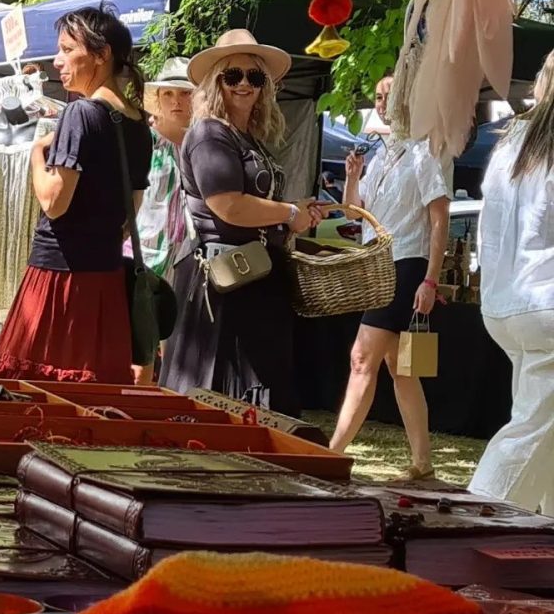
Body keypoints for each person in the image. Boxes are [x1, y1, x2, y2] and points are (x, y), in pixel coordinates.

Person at [0, 4, 153, 384]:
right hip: (104, 280)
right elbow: (130, 215)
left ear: (101, 54)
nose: (57, 61)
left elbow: (55, 204)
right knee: (89, 393)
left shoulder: (80, 114)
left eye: (66, 50)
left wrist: (35, 154)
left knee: (27, 388)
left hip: (59, 275)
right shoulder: (139, 124)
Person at [159, 29, 323, 414]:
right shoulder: (209, 133)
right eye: (233, 76)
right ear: (216, 81)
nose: (244, 84)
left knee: (252, 390)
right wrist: (289, 213)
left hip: (252, 276)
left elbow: (248, 204)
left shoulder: (245, 136)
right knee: (217, 393)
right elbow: (227, 205)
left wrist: (290, 212)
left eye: (255, 76)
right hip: (222, 279)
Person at [329, 72, 451, 481]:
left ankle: (332, 454)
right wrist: (350, 176)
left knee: (361, 358)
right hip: (379, 265)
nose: (382, 102)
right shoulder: (380, 156)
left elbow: (439, 219)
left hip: (406, 264)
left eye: (390, 95)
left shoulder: (423, 153)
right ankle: (423, 462)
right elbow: (352, 214)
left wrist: (431, 279)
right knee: (400, 368)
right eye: (378, 96)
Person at [470, 50, 554, 512]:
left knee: (542, 430)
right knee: (529, 432)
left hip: (506, 300)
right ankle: (470, 526)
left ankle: (538, 540)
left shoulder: (511, 138)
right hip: (544, 301)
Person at [129, 57, 194, 383]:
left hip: (187, 256)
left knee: (178, 338)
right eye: (169, 94)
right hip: (146, 251)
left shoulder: (199, 148)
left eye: (185, 94)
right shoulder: (145, 142)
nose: (178, 102)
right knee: (141, 339)